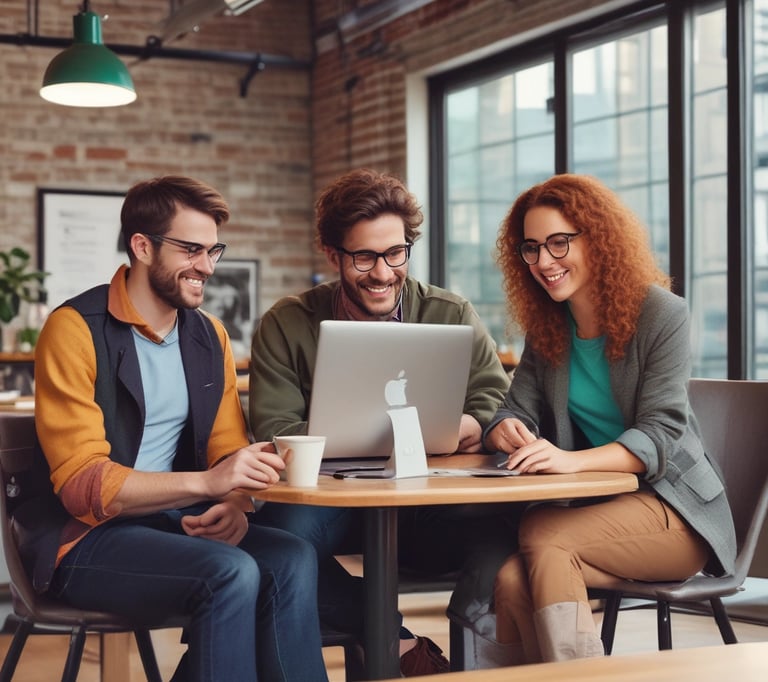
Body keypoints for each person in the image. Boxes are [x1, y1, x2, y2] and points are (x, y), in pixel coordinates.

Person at [31, 176, 329, 681]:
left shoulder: (209, 335)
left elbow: (227, 450)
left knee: (292, 556)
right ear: (142, 247)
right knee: (230, 572)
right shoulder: (75, 328)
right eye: (191, 250)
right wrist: (208, 484)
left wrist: (235, 505)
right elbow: (83, 486)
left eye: (213, 251)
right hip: (88, 539)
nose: (207, 267)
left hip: (177, 525)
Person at [249, 167, 517, 675]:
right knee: (273, 546)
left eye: (396, 253)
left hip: (428, 498)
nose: (383, 272)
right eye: (364, 257)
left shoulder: (450, 312)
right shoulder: (287, 323)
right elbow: (276, 428)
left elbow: (495, 398)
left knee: (505, 539)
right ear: (332, 254)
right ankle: (396, 642)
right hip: (334, 499)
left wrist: (469, 423)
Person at [485, 173, 737, 664]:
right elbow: (514, 409)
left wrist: (570, 462)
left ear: (598, 239)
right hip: (601, 512)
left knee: (543, 530)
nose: (544, 261)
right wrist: (503, 430)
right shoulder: (549, 327)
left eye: (559, 242)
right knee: (512, 579)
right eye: (532, 248)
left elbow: (660, 435)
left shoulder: (661, 314)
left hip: (675, 512)